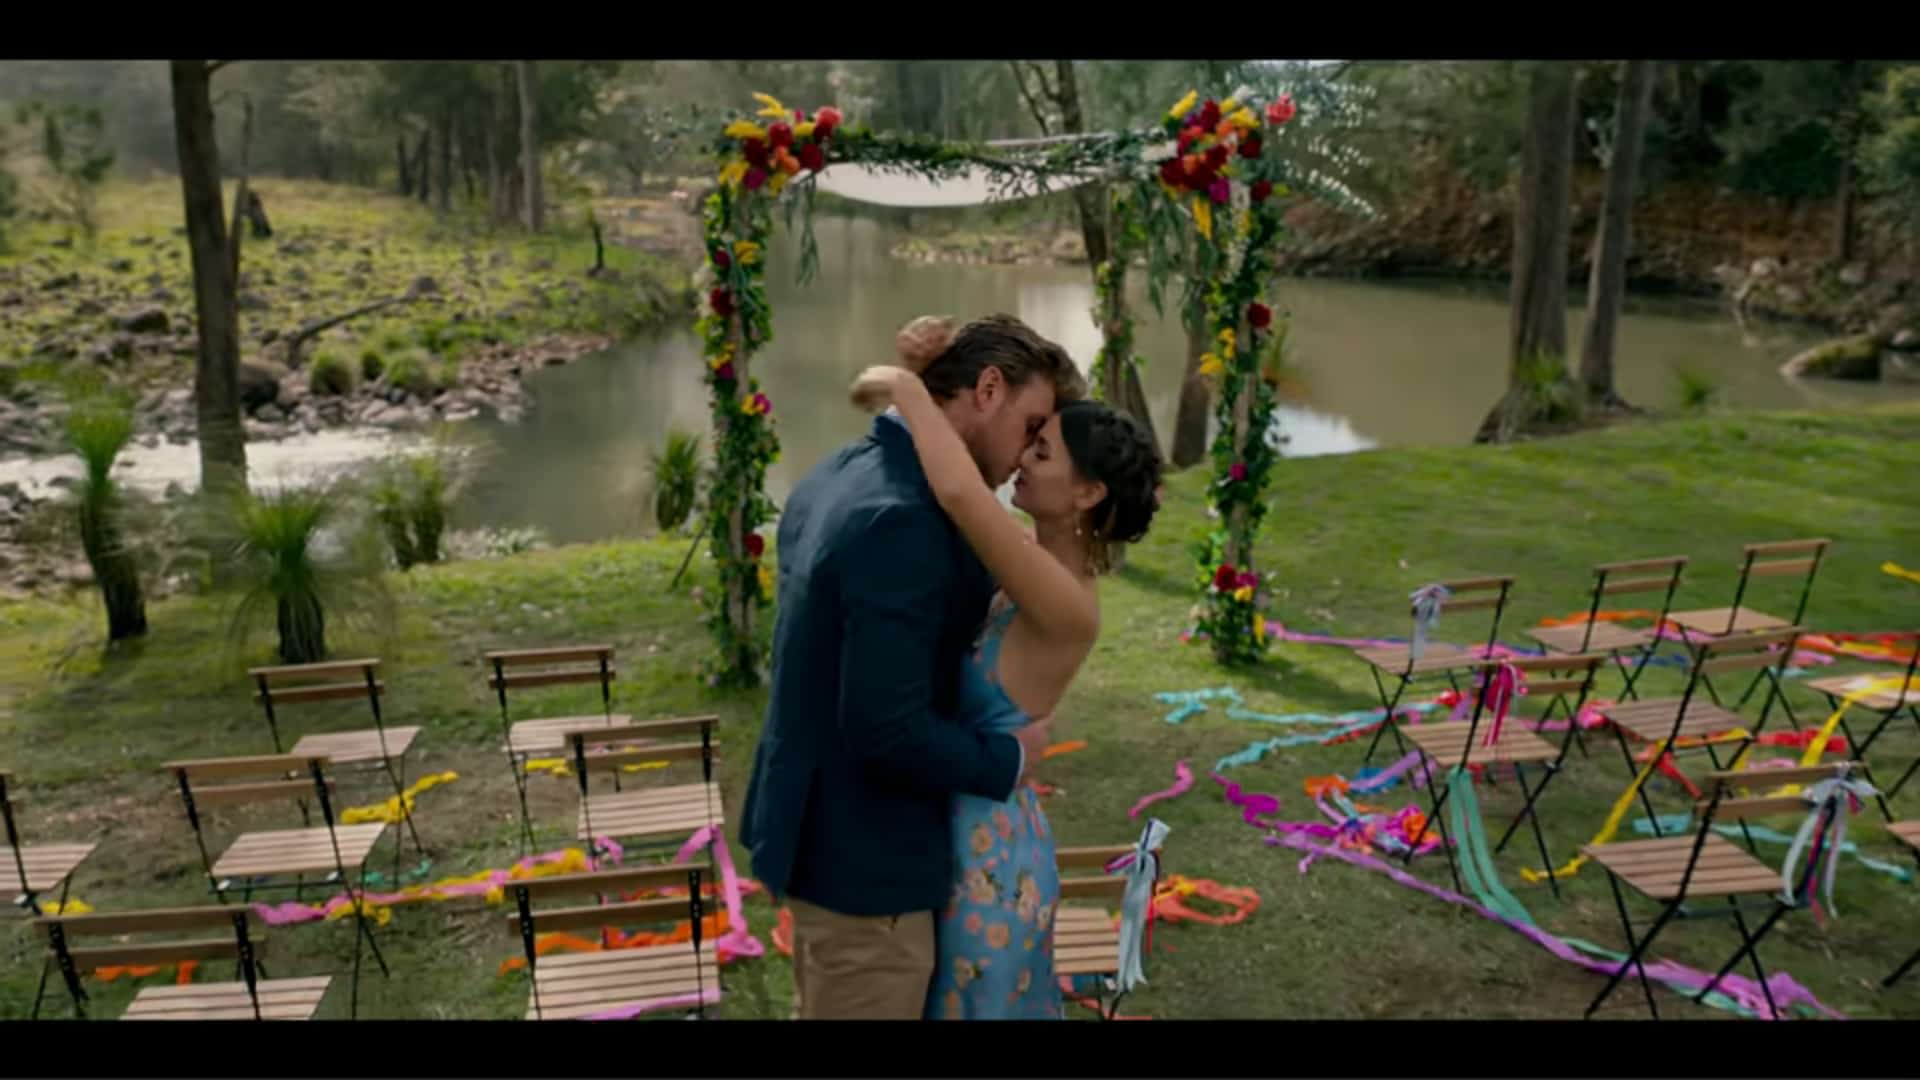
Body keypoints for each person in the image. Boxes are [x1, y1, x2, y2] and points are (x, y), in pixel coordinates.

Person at [740, 313, 1086, 1020]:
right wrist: (1008, 759)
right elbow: (885, 728)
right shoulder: (905, 518)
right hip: (867, 868)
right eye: (1030, 426)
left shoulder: (842, 469)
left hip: (820, 830)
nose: (1026, 454)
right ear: (987, 389)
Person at [850, 315, 1165, 1020]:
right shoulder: (1026, 557)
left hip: (988, 868)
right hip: (955, 831)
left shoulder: (1066, 600)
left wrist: (904, 385)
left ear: (1087, 493)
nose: (1023, 457)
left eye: (1042, 450)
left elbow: (962, 492)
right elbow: (952, 479)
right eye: (1030, 438)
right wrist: (939, 376)